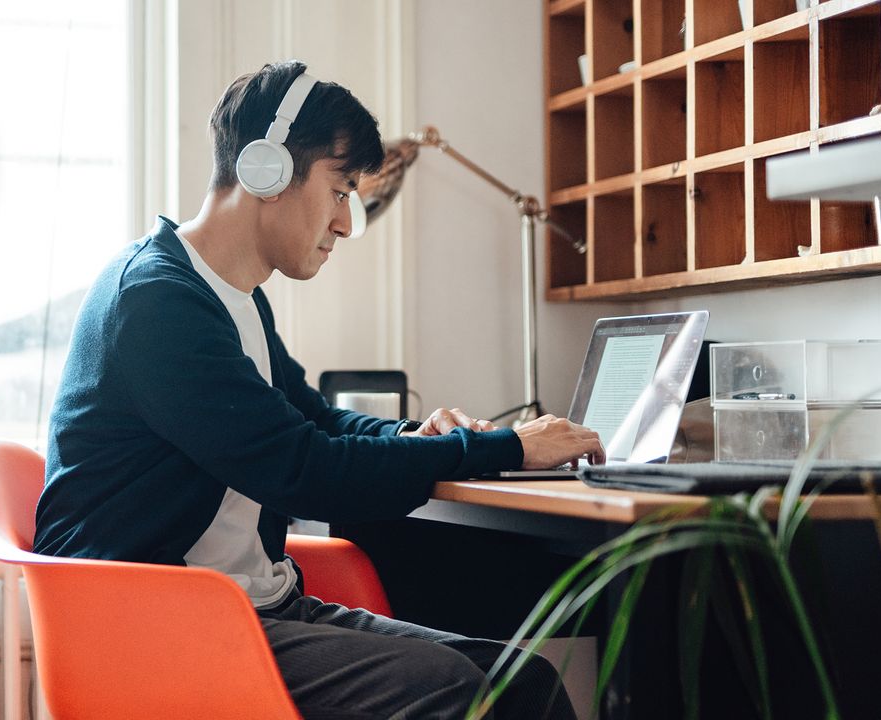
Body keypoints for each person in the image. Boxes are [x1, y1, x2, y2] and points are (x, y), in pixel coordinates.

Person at [35, 60, 605, 720]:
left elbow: (313, 422)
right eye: (339, 192)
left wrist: (417, 437)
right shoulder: (156, 303)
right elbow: (302, 469)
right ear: (267, 171)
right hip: (158, 632)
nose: (343, 224)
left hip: (251, 610)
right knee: (458, 688)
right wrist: (502, 447)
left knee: (520, 679)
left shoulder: (232, 299)